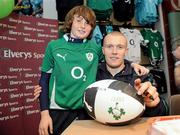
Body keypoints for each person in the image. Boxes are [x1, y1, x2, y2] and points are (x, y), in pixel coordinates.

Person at [35, 6, 149, 135]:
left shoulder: (94, 48)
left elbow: (112, 57)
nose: (83, 26)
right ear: (70, 22)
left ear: (92, 28)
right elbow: (43, 81)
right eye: (79, 21)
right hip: (58, 110)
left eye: (88, 23)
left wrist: (133, 64)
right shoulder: (53, 46)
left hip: (87, 111)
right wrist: (44, 115)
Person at [96, 31, 168, 116]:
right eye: (109, 46)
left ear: (126, 51)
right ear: (103, 50)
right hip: (99, 127)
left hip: (133, 127)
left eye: (120, 47)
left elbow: (164, 112)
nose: (114, 52)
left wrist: (154, 105)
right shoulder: (93, 73)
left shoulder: (142, 76)